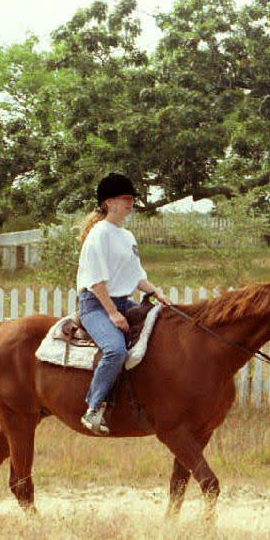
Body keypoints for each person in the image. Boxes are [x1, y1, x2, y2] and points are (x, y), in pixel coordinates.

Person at [77, 172, 172, 435]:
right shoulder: (98, 235)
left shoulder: (127, 236)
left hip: (121, 300)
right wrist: (112, 313)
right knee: (115, 350)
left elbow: (137, 276)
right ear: (109, 202)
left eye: (132, 199)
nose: (131, 203)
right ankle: (93, 408)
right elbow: (96, 282)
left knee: (164, 325)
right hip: (96, 304)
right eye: (126, 198)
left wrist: (157, 293)